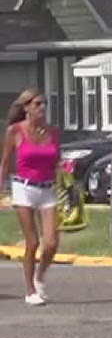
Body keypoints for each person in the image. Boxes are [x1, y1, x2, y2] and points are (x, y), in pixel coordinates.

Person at [0, 88, 60, 305]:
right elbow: (5, 162)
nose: (42, 108)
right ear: (26, 108)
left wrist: (65, 177)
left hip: (47, 189)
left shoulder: (53, 132)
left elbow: (56, 161)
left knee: (52, 243)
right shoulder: (15, 131)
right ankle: (29, 290)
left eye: (43, 103)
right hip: (23, 188)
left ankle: (40, 276)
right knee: (33, 242)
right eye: (36, 104)